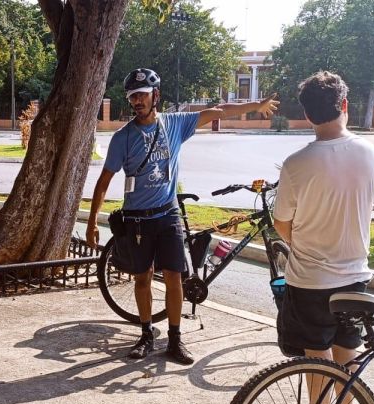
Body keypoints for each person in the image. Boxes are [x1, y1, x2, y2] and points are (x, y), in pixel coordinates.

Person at [86, 68, 278, 364]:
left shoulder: (175, 124)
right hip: (137, 219)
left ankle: (175, 339)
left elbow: (219, 110)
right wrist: (91, 223)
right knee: (142, 280)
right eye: (133, 96)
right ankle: (146, 334)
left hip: (168, 216)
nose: (137, 101)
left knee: (175, 278)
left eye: (143, 95)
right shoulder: (122, 138)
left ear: (156, 96)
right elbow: (104, 181)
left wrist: (255, 106)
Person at [269, 71, 374, 404]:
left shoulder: (296, 164)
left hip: (311, 279)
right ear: (344, 106)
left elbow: (281, 223)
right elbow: (373, 204)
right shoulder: (371, 153)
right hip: (356, 274)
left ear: (306, 114)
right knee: (347, 352)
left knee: (316, 356)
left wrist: (304, 244)